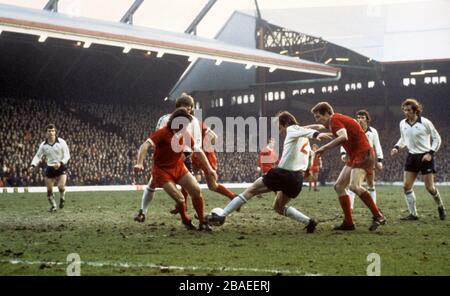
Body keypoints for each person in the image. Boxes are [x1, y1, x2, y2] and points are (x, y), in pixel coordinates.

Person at [206, 111, 331, 233]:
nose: (281, 131)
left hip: (283, 173)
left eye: (280, 127)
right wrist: (316, 129)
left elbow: (299, 129)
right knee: (278, 208)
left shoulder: (292, 129)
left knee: (250, 191)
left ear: (286, 123)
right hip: (297, 178)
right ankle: (309, 222)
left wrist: (316, 134)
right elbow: (307, 146)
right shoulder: (304, 140)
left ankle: (222, 214)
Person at [134, 94, 216, 224]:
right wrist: (139, 163)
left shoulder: (183, 131)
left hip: (178, 165)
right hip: (162, 169)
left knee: (195, 190)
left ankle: (202, 222)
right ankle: (184, 219)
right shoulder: (164, 132)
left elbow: (198, 150)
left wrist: (210, 169)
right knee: (180, 198)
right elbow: (145, 145)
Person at [311, 102, 386, 231]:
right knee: (339, 186)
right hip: (355, 155)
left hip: (363, 154)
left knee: (354, 186)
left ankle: (378, 215)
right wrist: (297, 128)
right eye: (316, 117)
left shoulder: (334, 120)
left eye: (319, 116)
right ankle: (349, 223)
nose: (318, 120)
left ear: (328, 113)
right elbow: (318, 126)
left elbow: (343, 137)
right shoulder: (334, 120)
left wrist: (325, 148)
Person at [390, 98, 445, 220]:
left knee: (430, 188)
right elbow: (403, 139)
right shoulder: (402, 123)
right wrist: (397, 147)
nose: (406, 112)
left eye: (408, 110)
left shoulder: (425, 122)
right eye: (404, 110)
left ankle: (440, 206)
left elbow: (437, 139)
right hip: (411, 157)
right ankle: (413, 214)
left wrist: (430, 153)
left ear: (416, 111)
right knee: (406, 186)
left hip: (425, 157)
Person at [340, 110, 383, 208]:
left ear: (367, 119)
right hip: (355, 157)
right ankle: (350, 208)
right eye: (358, 117)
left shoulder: (373, 131)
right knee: (352, 184)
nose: (360, 119)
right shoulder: (352, 129)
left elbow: (377, 145)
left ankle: (374, 207)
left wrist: (380, 160)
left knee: (371, 184)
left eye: (362, 117)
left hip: (369, 158)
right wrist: (343, 153)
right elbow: (344, 140)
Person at [191, 121, 236, 200]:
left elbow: (214, 137)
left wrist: (207, 146)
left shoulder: (198, 124)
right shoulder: (182, 125)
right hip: (194, 155)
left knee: (212, 186)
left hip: (206, 156)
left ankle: (232, 196)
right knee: (186, 179)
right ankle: (182, 206)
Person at [30, 124, 70, 212]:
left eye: (53, 131)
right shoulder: (43, 145)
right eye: (49, 131)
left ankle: (62, 198)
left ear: (55, 132)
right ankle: (53, 206)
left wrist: (61, 163)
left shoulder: (61, 142)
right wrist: (33, 165)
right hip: (50, 167)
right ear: (46, 133)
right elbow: (38, 156)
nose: (51, 133)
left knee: (61, 187)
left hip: (61, 166)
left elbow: (67, 155)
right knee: (49, 190)